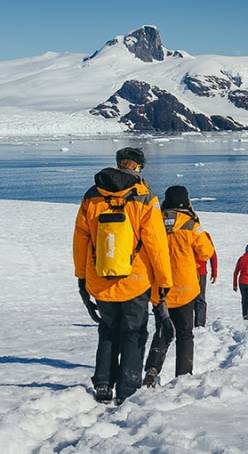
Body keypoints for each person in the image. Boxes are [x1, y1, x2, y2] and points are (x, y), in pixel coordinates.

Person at [73, 147, 172, 404]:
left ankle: (104, 383)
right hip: (135, 281)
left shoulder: (92, 196)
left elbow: (81, 241)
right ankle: (127, 389)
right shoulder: (143, 197)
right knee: (134, 332)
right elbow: (156, 245)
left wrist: (82, 277)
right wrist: (163, 281)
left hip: (100, 276)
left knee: (108, 330)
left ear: (118, 164)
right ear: (138, 167)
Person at [143, 185, 215, 387]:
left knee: (162, 331)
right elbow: (206, 252)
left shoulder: (154, 221)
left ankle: (152, 370)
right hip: (185, 288)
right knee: (184, 333)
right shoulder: (190, 225)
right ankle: (183, 376)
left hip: (160, 290)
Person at [194, 232, 218, 327]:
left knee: (187, 299)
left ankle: (190, 324)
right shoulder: (204, 235)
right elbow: (212, 254)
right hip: (200, 272)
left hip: (188, 271)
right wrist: (214, 271)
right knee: (200, 298)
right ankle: (199, 324)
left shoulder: (182, 232)